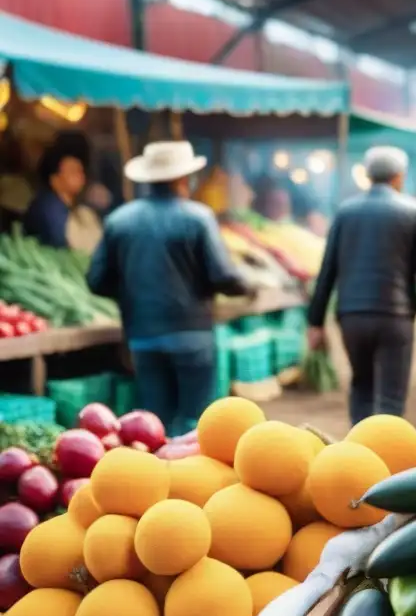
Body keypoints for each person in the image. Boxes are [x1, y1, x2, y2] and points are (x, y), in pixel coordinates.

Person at [86, 141, 253, 436]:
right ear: (182, 178)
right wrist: (247, 288)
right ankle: (191, 481)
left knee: (153, 425)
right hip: (192, 335)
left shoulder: (118, 221)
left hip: (142, 336)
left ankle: (160, 479)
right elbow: (223, 275)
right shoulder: (198, 217)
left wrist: (132, 291)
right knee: (194, 424)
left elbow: (96, 280)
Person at [307, 145, 416, 425]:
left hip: (352, 316)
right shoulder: (413, 211)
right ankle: (386, 457)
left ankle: (360, 455)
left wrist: (315, 321)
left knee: (361, 386)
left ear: (368, 176)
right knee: (391, 397)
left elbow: (327, 271)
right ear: (398, 176)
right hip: (395, 317)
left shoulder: (345, 212)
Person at [23, 132, 89, 248]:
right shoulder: (49, 207)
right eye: (73, 171)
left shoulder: (74, 208)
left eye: (81, 170)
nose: (80, 176)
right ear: (54, 179)